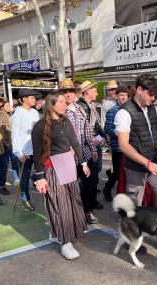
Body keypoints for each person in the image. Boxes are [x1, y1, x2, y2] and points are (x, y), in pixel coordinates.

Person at [31, 92, 90, 260]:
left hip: (68, 165)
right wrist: (40, 177)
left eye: (66, 101)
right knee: (59, 203)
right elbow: (37, 154)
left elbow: (75, 143)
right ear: (52, 105)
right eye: (62, 102)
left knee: (73, 201)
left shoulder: (66, 121)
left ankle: (66, 231)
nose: (66, 104)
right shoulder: (40, 126)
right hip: (51, 168)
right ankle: (65, 241)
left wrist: (84, 163)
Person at [114, 73, 157, 208]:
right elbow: (123, 145)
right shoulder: (124, 112)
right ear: (139, 90)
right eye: (150, 94)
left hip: (154, 163)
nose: (152, 98)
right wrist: (147, 163)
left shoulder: (153, 109)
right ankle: (131, 228)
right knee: (133, 206)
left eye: (154, 95)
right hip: (135, 167)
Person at [62, 79, 100, 224]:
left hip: (84, 153)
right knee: (70, 187)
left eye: (70, 91)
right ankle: (72, 214)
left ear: (74, 93)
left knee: (89, 184)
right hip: (67, 157)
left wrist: (92, 147)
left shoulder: (79, 108)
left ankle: (88, 211)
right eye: (64, 91)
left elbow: (87, 130)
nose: (68, 94)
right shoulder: (59, 110)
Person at [77, 80, 105, 210]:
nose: (97, 92)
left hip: (94, 143)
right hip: (86, 146)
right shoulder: (80, 107)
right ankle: (87, 204)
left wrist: (100, 138)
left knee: (95, 174)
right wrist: (95, 139)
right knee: (89, 176)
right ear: (87, 92)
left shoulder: (91, 106)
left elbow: (98, 128)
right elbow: (84, 129)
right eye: (95, 90)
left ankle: (92, 200)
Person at [11, 89, 40, 211]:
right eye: (32, 97)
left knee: (41, 173)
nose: (34, 99)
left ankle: (35, 179)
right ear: (24, 99)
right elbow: (15, 135)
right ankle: (25, 200)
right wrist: (18, 153)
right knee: (24, 178)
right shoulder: (17, 115)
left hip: (37, 150)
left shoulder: (35, 112)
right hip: (25, 153)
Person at [103, 85, 129, 202]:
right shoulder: (112, 111)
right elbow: (107, 129)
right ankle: (107, 188)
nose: (123, 97)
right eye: (121, 95)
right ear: (117, 96)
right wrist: (121, 133)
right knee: (118, 172)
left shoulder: (130, 109)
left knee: (127, 171)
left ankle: (124, 192)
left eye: (125, 95)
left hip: (129, 147)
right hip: (117, 146)